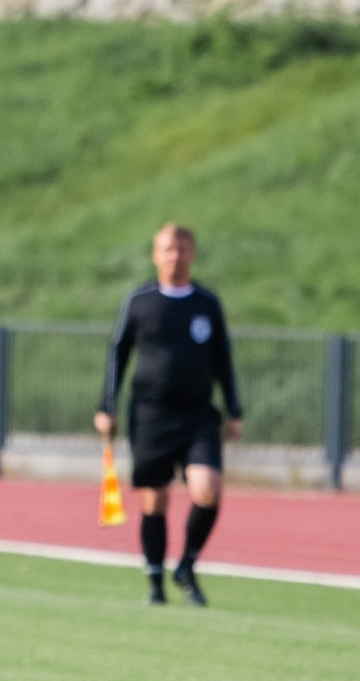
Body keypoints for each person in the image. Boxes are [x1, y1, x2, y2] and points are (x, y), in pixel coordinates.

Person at [96, 223, 242, 607]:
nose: (175, 256)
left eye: (182, 249)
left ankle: (187, 565)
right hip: (151, 416)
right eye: (167, 249)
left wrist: (234, 408)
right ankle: (156, 581)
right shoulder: (140, 300)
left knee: (207, 489)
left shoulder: (206, 303)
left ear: (192, 254)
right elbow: (118, 352)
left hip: (198, 416)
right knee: (154, 500)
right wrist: (106, 405)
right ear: (155, 255)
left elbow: (223, 357)